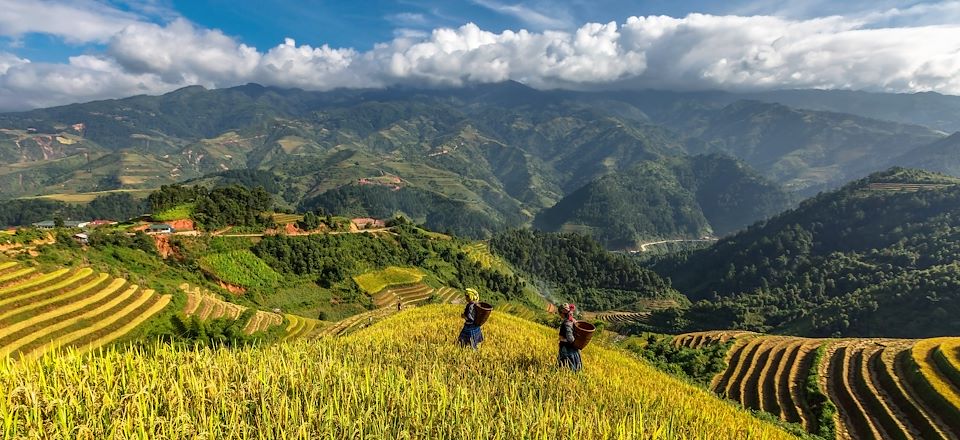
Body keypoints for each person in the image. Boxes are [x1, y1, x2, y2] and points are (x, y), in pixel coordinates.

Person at [557, 303, 582, 372]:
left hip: (567, 350)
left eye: (560, 313)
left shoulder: (566, 323)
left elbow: (570, 338)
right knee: (575, 369)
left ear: (562, 313)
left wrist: (562, 339)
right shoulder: (573, 321)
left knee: (565, 369)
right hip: (574, 350)